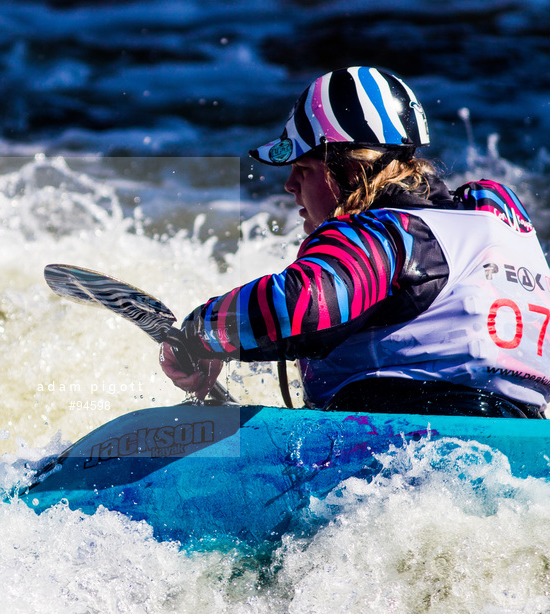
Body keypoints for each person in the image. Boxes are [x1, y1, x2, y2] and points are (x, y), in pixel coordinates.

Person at [160, 66, 550, 418]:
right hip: (528, 443)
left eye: (303, 169)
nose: (289, 185)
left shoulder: (388, 235)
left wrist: (201, 333)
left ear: (351, 170)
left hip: (412, 452)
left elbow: (302, 306)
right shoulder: (498, 219)